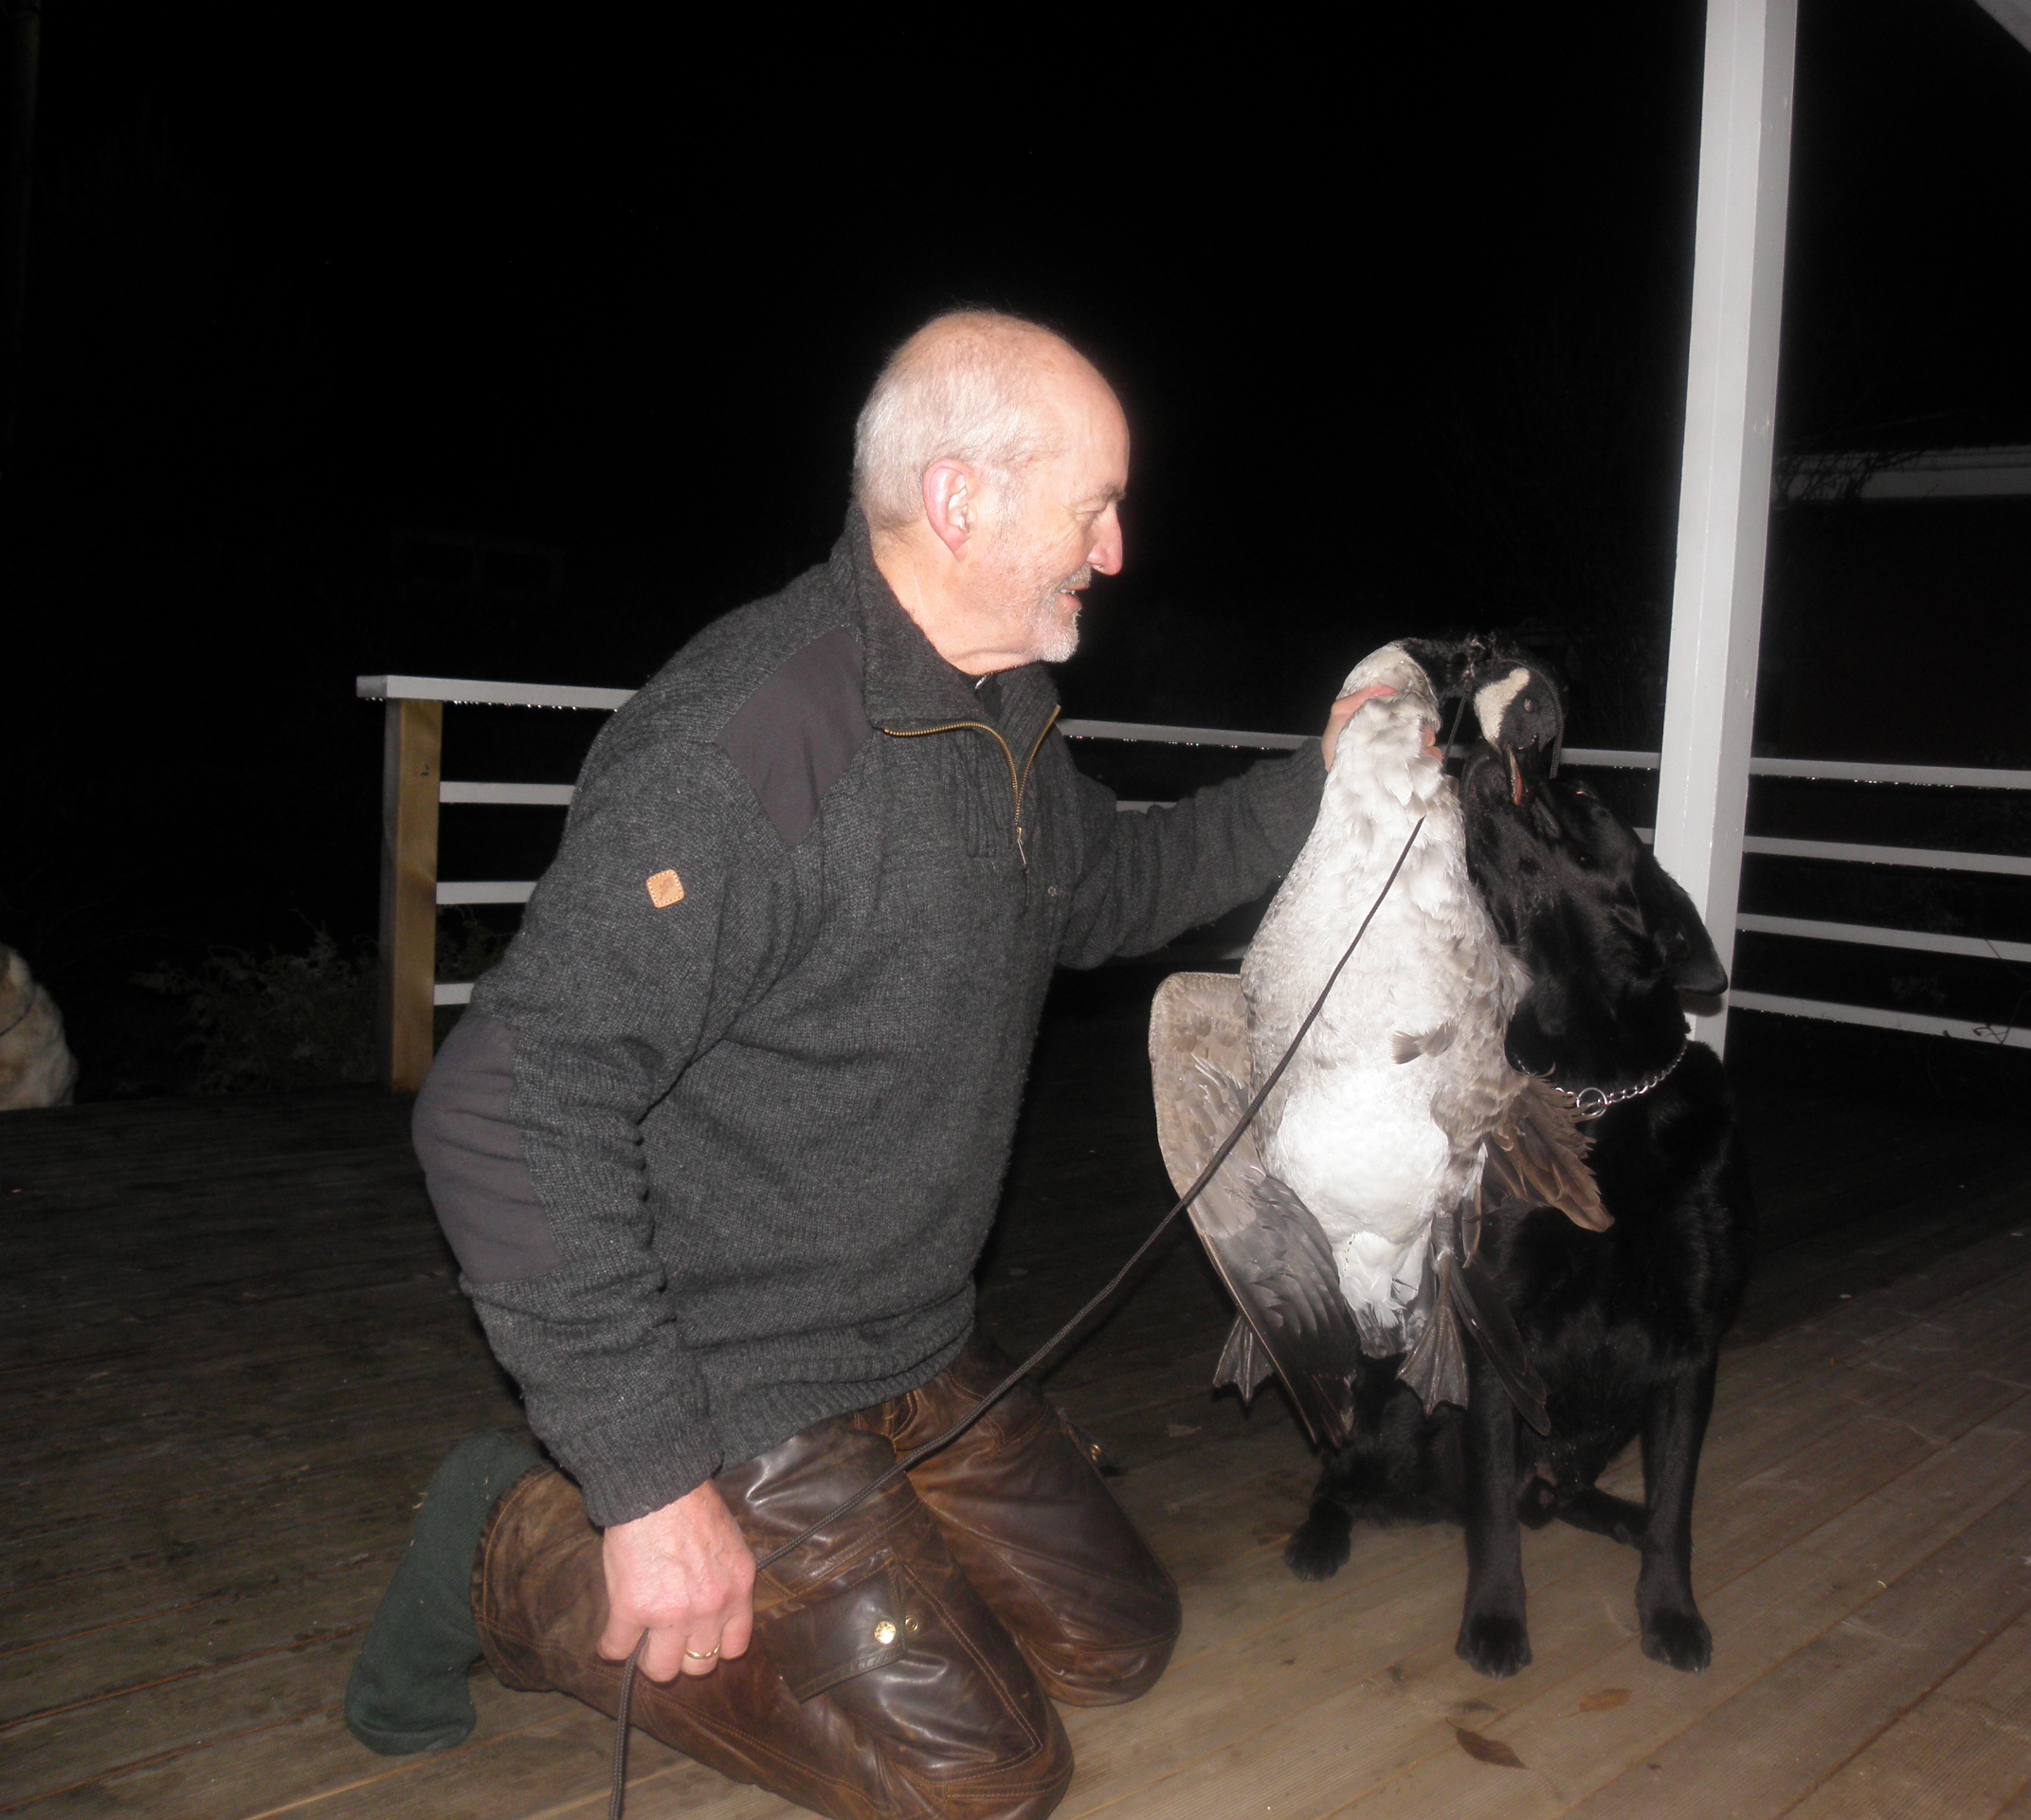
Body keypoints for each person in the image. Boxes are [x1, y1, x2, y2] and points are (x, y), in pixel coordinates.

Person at [342, 310, 1385, 1820]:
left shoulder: (1001, 708)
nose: (1115, 550)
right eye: (1092, 507)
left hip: (914, 1342)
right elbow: (505, 1108)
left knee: (1120, 1643)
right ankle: (508, 1539)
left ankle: (864, 1521)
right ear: (959, 502)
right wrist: (644, 1476)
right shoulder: (746, 749)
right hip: (735, 1369)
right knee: (987, 1779)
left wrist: (1329, 780)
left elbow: (1110, 887)